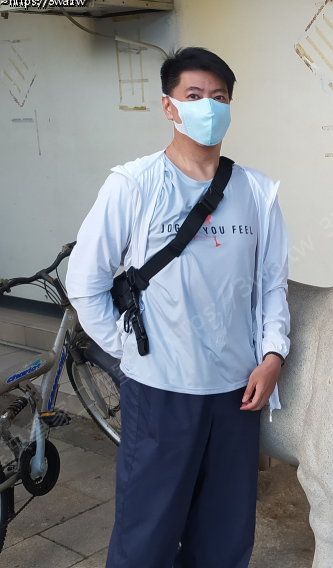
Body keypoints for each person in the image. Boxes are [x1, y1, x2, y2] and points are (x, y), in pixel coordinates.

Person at [65, 47, 290, 568]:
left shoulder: (257, 192)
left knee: (224, 537)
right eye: (194, 95)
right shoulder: (134, 185)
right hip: (160, 393)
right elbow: (85, 283)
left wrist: (273, 356)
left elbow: (271, 286)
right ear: (169, 106)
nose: (208, 106)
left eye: (219, 97)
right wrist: (130, 349)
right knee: (146, 536)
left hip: (236, 393)